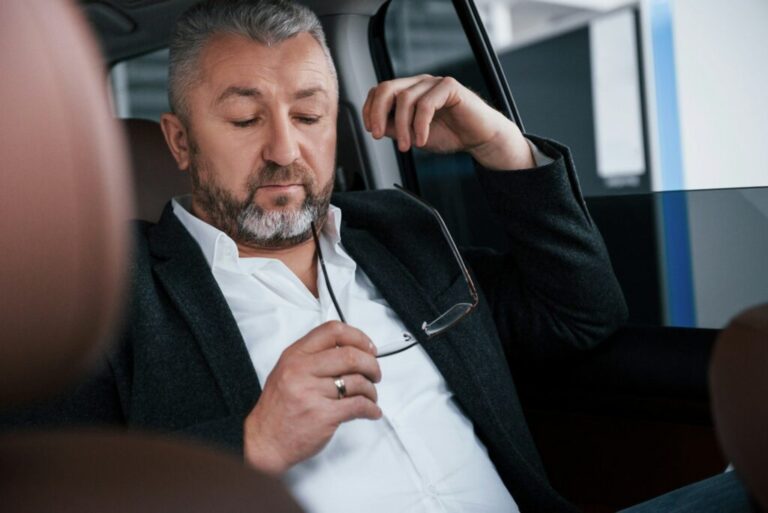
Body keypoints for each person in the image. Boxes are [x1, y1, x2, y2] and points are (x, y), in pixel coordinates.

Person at [1, 0, 751, 512]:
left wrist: (504, 149)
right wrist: (252, 442)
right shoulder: (105, 290)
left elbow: (581, 314)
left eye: (308, 114)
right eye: (243, 118)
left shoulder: (398, 229)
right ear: (178, 140)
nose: (284, 150)